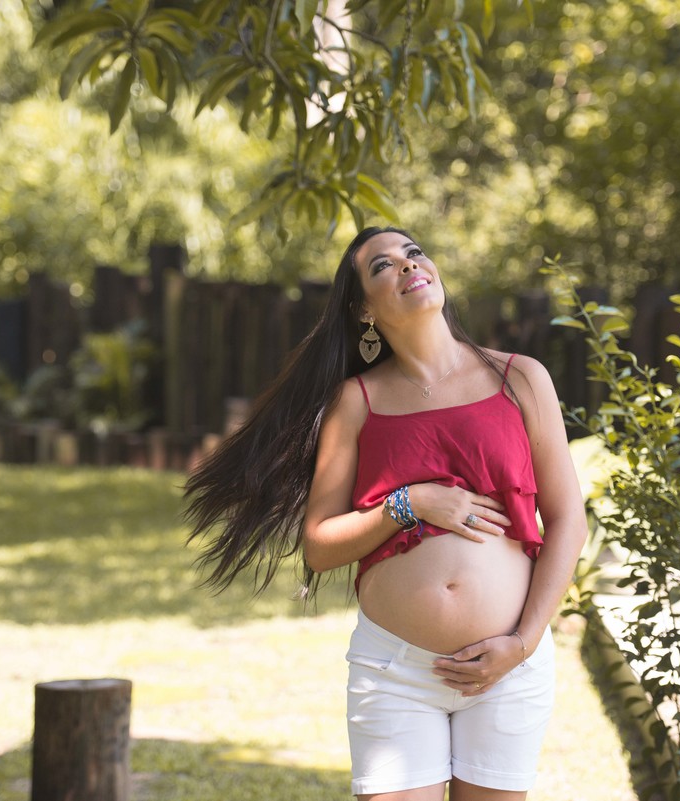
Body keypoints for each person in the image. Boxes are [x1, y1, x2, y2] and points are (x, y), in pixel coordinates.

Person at [185, 226, 589, 801]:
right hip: (396, 672)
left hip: (506, 666)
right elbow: (320, 545)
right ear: (363, 310)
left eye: (414, 253)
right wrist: (409, 504)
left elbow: (568, 521)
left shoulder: (520, 378)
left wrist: (522, 644)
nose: (406, 266)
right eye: (382, 266)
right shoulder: (356, 402)